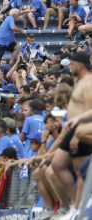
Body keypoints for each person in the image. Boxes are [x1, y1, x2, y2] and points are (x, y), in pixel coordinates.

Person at [46, 52, 92, 219]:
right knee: (58, 165)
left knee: (80, 171)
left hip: (82, 130)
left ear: (80, 64)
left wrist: (78, 135)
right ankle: (75, 204)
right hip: (74, 128)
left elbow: (89, 111)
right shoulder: (79, 81)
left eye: (72, 63)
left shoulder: (89, 82)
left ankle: (79, 207)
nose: (70, 66)